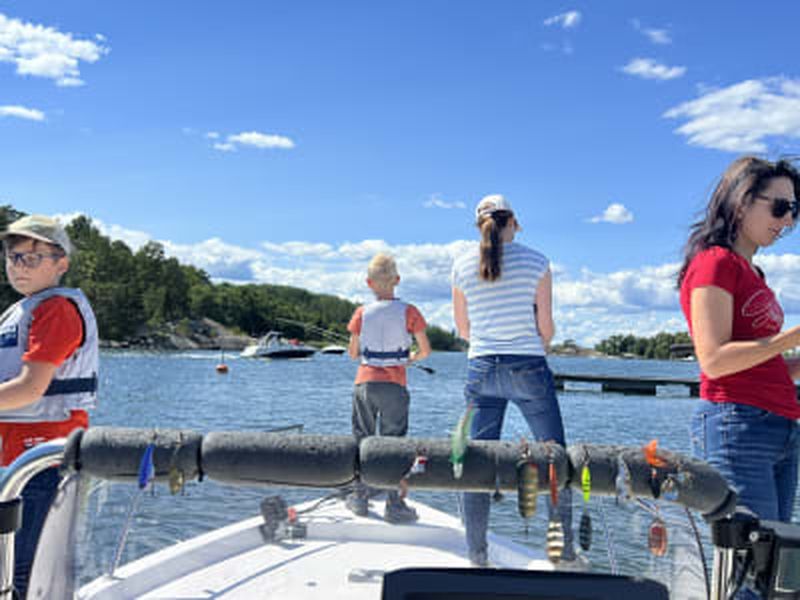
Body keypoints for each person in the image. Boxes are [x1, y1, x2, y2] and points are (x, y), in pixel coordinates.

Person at [451, 194, 574, 567]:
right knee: (556, 457)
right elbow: (546, 327)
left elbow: (462, 328)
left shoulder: (460, 265)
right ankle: (563, 552)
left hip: (482, 368)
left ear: (479, 225)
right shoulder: (537, 262)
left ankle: (477, 555)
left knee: (475, 463)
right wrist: (540, 345)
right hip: (529, 366)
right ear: (513, 222)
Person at [678, 157, 800, 525]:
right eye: (779, 208)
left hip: (781, 426)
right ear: (742, 201)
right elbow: (714, 360)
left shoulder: (752, 272)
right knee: (752, 563)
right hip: (737, 423)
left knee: (776, 566)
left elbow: (765, 365)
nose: (788, 222)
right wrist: (793, 337)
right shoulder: (714, 263)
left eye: (794, 210)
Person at [0, 214, 99, 599]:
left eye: (32, 257)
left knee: (24, 569)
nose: (18, 266)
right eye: (12, 256)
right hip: (16, 457)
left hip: (43, 461)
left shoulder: (56, 309)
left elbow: (30, 389)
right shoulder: (20, 312)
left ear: (62, 263)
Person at [346, 253, 431, 523]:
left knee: (362, 439)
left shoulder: (361, 312)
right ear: (397, 280)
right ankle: (394, 504)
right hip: (395, 386)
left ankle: (359, 497)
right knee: (395, 445)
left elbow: (352, 353)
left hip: (365, 383)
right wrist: (409, 359)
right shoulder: (410, 311)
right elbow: (425, 351)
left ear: (368, 283)